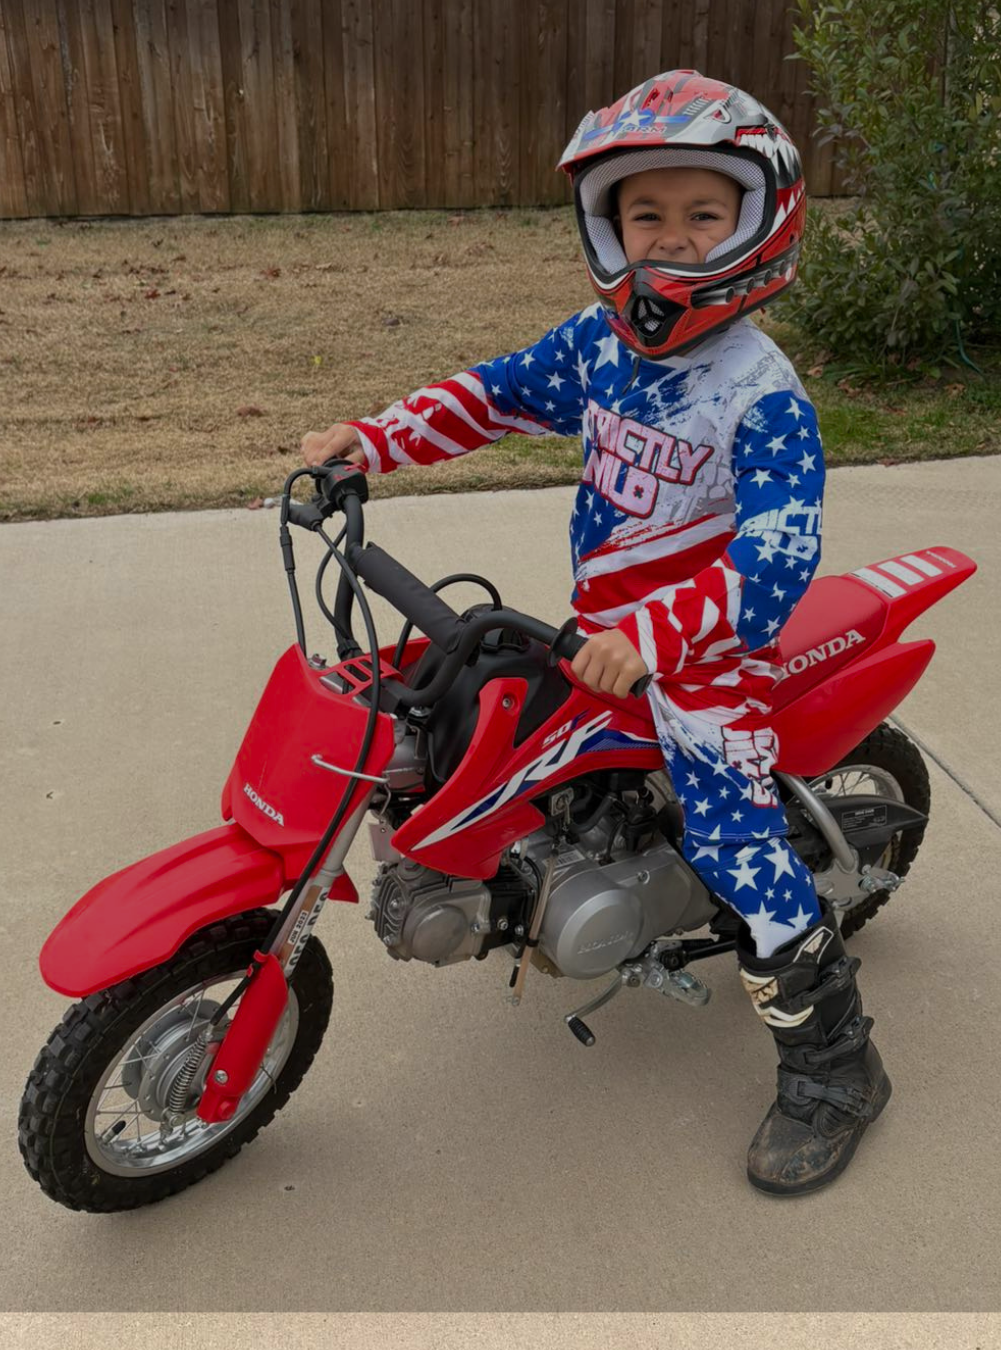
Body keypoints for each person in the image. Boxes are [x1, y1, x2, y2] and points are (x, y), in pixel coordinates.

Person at [302, 71, 890, 1196]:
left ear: (758, 224)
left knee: (737, 851)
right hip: (605, 638)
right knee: (473, 706)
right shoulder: (601, 345)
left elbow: (777, 561)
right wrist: (371, 441)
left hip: (706, 662)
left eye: (701, 214)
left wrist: (665, 638)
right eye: (644, 214)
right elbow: (493, 394)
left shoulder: (761, 395)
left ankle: (836, 1065)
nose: (669, 241)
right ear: (607, 226)